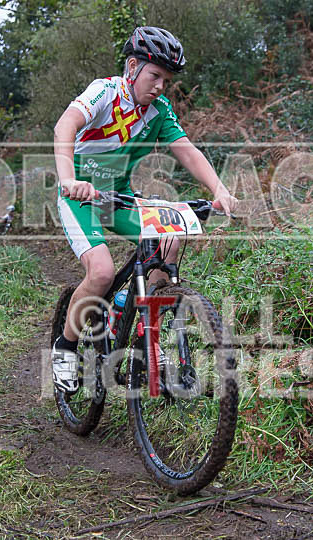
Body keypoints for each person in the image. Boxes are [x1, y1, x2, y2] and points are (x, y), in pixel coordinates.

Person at [51, 26, 237, 393]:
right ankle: (66, 348)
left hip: (118, 196)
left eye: (166, 80)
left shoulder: (159, 111)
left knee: (168, 238)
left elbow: (187, 151)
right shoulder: (105, 92)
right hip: (79, 198)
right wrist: (69, 178)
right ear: (132, 67)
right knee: (101, 271)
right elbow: (65, 126)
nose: (159, 86)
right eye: (154, 75)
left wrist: (219, 190)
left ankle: (146, 337)